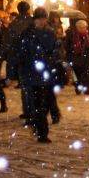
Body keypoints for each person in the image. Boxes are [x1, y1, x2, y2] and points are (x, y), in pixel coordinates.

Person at [12, 8, 59, 142]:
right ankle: (42, 132)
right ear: (35, 19)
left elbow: (54, 51)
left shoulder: (49, 33)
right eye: (40, 18)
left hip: (45, 73)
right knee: (38, 104)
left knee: (46, 103)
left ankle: (39, 125)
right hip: (33, 74)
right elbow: (21, 54)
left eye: (44, 18)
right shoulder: (27, 34)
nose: (42, 21)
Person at [1, 1, 31, 85]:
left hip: (17, 48)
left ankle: (20, 80)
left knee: (20, 65)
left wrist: (5, 49)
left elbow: (9, 38)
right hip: (29, 48)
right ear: (28, 9)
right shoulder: (31, 21)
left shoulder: (14, 23)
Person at [65, 17, 89, 95]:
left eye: (85, 27)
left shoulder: (87, 35)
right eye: (81, 28)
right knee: (76, 74)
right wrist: (70, 53)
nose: (83, 29)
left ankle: (86, 89)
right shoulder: (72, 35)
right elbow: (67, 46)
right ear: (77, 28)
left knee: (86, 74)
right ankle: (77, 87)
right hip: (75, 57)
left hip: (85, 57)